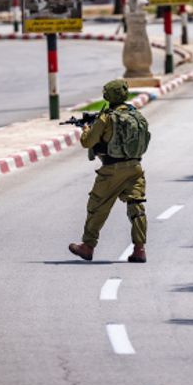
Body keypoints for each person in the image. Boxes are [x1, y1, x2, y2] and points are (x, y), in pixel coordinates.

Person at [69, 80, 150, 263]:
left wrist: (86, 128)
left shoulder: (106, 118)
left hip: (112, 170)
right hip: (135, 168)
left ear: (108, 96)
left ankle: (87, 246)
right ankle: (139, 249)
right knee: (136, 207)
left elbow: (87, 142)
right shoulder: (136, 115)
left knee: (97, 207)